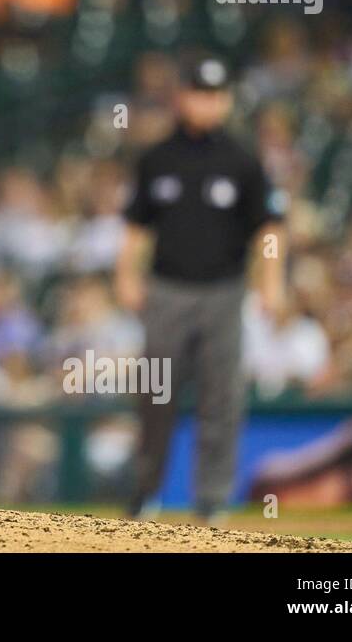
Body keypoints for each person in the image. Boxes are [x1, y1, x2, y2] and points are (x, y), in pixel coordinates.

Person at [114, 56, 286, 524]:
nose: (206, 103)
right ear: (182, 97)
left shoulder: (243, 159)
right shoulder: (157, 158)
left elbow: (269, 229)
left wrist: (271, 283)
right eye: (198, 93)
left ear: (226, 100)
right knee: (155, 396)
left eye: (215, 95)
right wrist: (126, 275)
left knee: (221, 400)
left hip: (224, 293)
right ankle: (145, 494)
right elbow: (134, 226)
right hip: (167, 290)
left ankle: (212, 500)